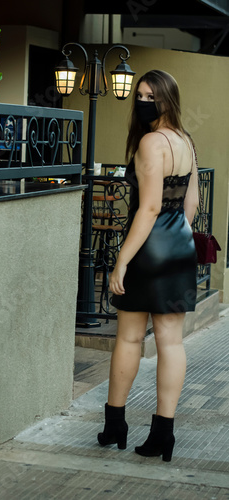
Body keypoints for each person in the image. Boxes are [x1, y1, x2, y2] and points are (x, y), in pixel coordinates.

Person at [97, 69, 199, 462]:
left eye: (149, 96)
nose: (142, 102)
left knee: (128, 339)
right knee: (171, 342)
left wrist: (122, 261)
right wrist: (176, 238)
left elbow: (150, 206)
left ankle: (115, 425)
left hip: (147, 247)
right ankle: (163, 436)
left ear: (165, 100)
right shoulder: (186, 142)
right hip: (179, 246)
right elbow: (189, 205)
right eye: (138, 94)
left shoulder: (149, 143)